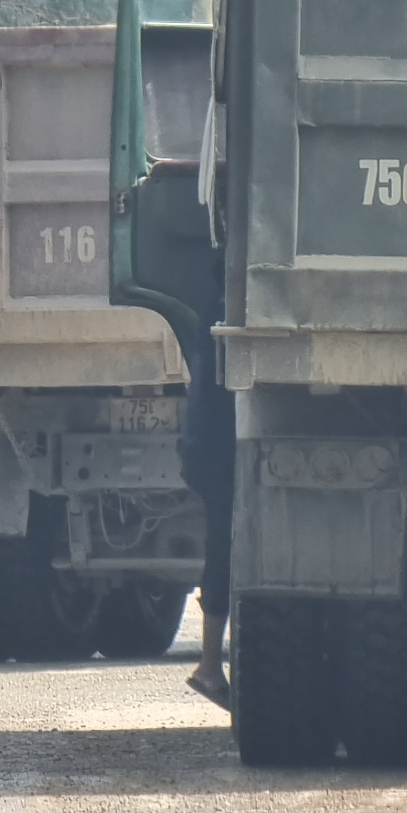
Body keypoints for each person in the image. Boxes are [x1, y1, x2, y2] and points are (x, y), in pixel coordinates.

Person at [179, 292, 235, 708]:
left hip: (208, 449)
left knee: (223, 551)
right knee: (225, 554)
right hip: (220, 451)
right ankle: (210, 664)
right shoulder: (224, 316)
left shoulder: (215, 314)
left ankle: (211, 664)